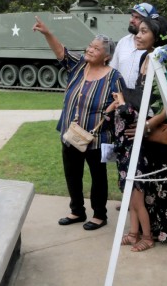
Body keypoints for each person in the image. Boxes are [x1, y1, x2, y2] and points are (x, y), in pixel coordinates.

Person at [33, 16, 124, 231]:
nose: (90, 50)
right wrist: (47, 33)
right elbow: (60, 51)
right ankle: (77, 210)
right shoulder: (78, 66)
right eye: (90, 46)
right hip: (70, 133)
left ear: (107, 56)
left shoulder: (114, 76)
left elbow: (122, 101)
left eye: (96, 48)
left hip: (97, 137)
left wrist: (114, 106)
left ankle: (99, 215)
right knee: (72, 174)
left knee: (97, 177)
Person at [111, 14, 167, 252]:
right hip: (144, 132)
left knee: (166, 181)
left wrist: (149, 124)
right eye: (138, 31)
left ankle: (166, 230)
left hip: (160, 131)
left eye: (144, 31)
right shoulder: (145, 56)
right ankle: (145, 230)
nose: (138, 35)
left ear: (157, 35)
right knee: (148, 182)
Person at [110, 2, 157, 89]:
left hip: (144, 100)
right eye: (132, 16)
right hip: (119, 98)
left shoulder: (155, 48)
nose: (132, 20)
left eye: (137, 18)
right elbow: (112, 71)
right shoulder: (123, 42)